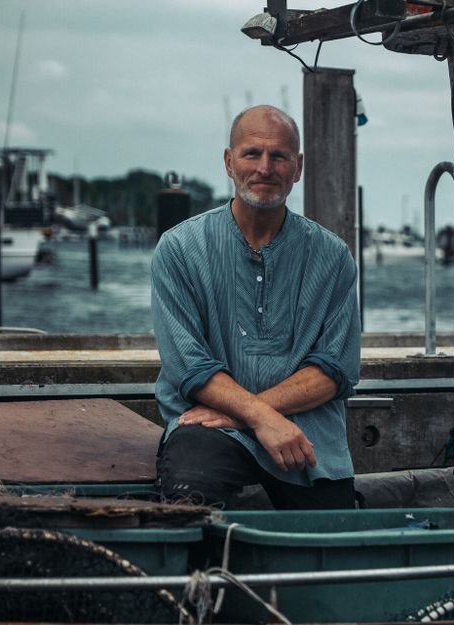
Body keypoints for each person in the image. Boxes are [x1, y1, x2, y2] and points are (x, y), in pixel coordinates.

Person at [151, 105, 361, 509]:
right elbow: (190, 368)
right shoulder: (179, 249)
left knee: (332, 540)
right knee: (188, 493)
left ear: (297, 167)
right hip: (211, 429)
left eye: (279, 156)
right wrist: (257, 418)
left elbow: (335, 370)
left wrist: (251, 412)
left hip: (306, 432)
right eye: (252, 154)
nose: (265, 167)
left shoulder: (333, 257)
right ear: (229, 162)